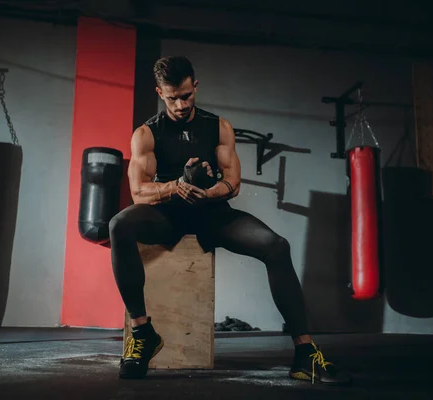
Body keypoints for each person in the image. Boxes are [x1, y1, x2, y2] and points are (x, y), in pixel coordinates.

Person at [109, 56, 351, 385]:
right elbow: (139, 192)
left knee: (277, 246)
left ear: (195, 86)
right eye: (171, 98)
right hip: (167, 214)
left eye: (186, 95)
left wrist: (208, 194)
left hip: (212, 214)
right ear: (159, 93)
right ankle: (142, 332)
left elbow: (233, 183)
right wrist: (177, 187)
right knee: (119, 224)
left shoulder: (218, 127)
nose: (180, 105)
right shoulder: (147, 134)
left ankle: (304, 353)